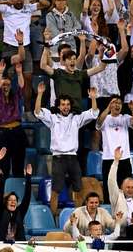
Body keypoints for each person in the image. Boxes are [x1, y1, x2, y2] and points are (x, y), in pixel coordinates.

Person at [35, 83, 99, 219]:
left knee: (78, 190)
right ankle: (52, 219)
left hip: (73, 158)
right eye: (63, 104)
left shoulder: (76, 118)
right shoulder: (52, 118)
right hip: (58, 158)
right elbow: (37, 112)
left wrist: (93, 98)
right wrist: (40, 94)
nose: (65, 107)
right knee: (55, 191)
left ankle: (80, 219)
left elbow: (93, 113)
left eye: (68, 104)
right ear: (59, 106)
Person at [0, 59, 28, 177]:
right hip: (3, 134)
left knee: (19, 166)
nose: (5, 87)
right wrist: (0, 72)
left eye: (7, 84)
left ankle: (18, 193)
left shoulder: (15, 97)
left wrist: (19, 73)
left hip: (17, 132)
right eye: (3, 85)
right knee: (3, 167)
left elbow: (21, 86)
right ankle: (3, 193)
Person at [107, 145, 133, 229]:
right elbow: (111, 180)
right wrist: (116, 161)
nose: (130, 190)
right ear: (121, 188)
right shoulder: (116, 196)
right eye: (128, 187)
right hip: (122, 232)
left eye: (132, 187)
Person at [0, 164, 33, 243]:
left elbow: (27, 198)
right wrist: (0, 178)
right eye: (10, 200)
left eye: (15, 200)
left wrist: (28, 178)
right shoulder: (0, 212)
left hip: (17, 246)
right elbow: (0, 196)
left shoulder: (19, 212)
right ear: (6, 202)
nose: (13, 202)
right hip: (0, 246)